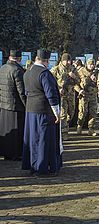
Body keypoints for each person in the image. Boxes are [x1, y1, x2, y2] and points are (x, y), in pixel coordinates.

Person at [22, 49, 62, 177]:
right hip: (43, 111)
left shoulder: (28, 72)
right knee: (44, 139)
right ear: (46, 60)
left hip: (30, 110)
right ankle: (43, 167)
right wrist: (56, 112)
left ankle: (33, 166)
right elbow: (51, 94)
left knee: (33, 139)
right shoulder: (45, 73)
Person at [0, 50, 26, 161]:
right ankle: (15, 154)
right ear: (19, 58)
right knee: (17, 132)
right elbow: (21, 91)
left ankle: (6, 152)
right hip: (16, 106)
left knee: (6, 130)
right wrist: (26, 105)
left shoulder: (3, 68)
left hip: (4, 104)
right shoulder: (17, 70)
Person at [51, 53, 80, 140]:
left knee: (71, 113)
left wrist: (74, 77)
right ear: (61, 60)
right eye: (66, 60)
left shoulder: (73, 69)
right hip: (61, 95)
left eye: (69, 60)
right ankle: (64, 132)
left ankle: (64, 126)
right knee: (63, 114)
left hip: (71, 94)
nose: (68, 62)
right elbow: (51, 82)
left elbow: (79, 81)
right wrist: (58, 88)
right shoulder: (56, 69)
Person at [74, 58, 98, 136]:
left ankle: (91, 128)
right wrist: (79, 90)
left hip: (93, 94)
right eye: (90, 64)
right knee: (83, 111)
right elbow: (75, 83)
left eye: (93, 64)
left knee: (93, 112)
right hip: (84, 94)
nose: (91, 66)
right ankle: (79, 126)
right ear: (87, 64)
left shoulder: (96, 72)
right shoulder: (81, 71)